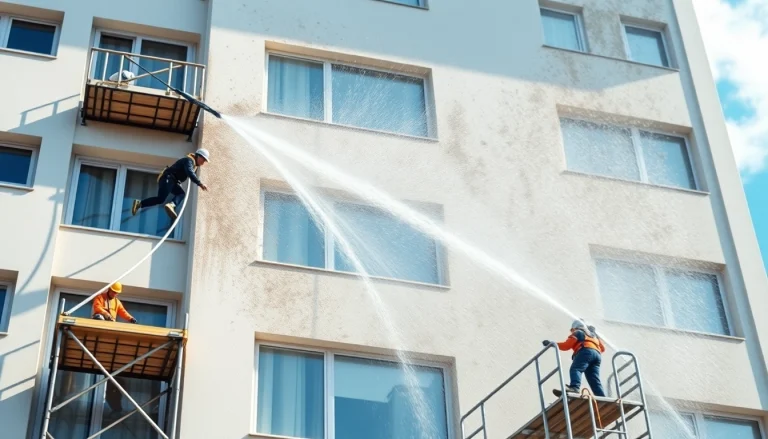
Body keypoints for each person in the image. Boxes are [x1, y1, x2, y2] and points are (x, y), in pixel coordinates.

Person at [131, 149, 210, 221]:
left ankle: (139, 204)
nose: (203, 162)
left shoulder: (193, 165)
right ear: (198, 156)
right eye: (203, 160)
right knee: (175, 195)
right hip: (168, 178)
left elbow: (191, 174)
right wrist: (200, 183)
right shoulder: (188, 161)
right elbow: (190, 173)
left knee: (166, 198)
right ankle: (171, 205)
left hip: (172, 181)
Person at [543, 319, 606, 397]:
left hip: (586, 352)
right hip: (597, 356)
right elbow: (602, 349)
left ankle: (575, 387)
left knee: (576, 369)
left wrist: (551, 344)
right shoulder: (594, 336)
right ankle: (602, 396)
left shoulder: (578, 332)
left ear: (574, 328)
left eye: (572, 330)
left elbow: (566, 346)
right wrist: (595, 334)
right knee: (594, 379)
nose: (572, 332)